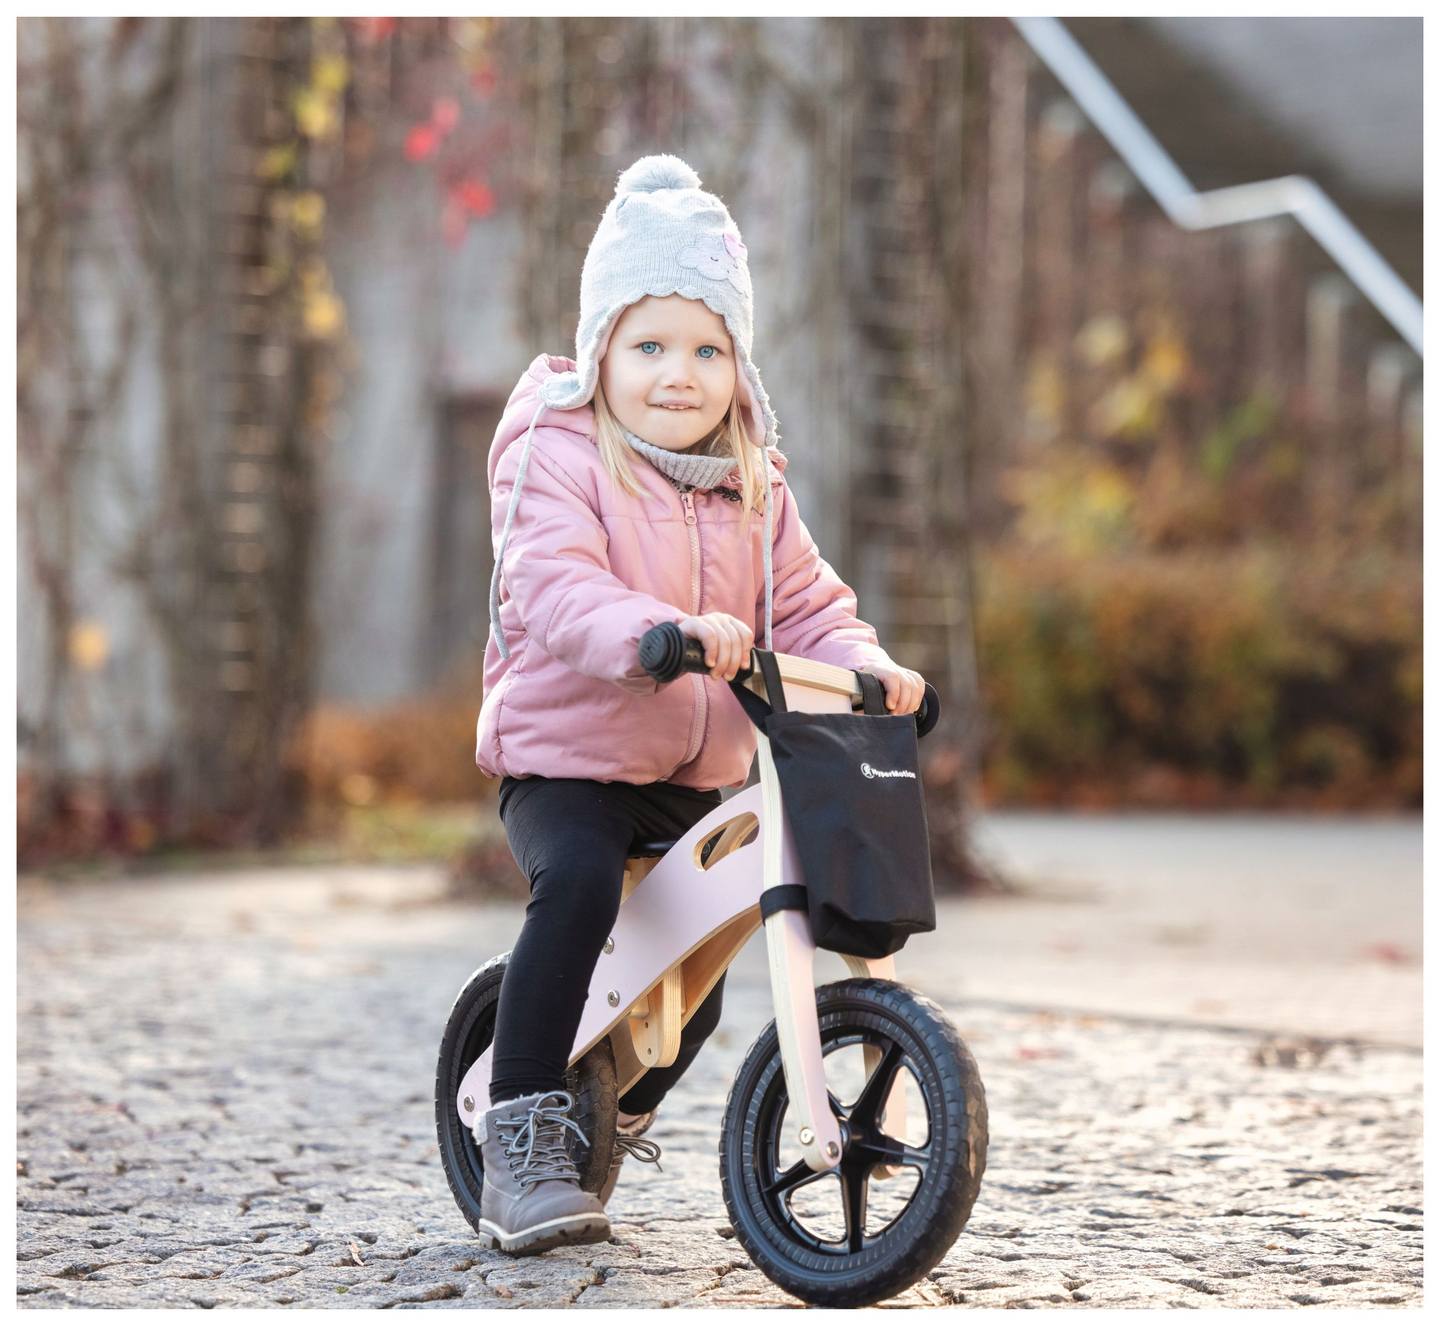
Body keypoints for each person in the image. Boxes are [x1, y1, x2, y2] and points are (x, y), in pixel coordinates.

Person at [471, 153, 927, 1255]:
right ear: (601, 350)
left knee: (701, 978)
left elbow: (809, 606)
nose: (679, 375)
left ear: (738, 365)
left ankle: (609, 1121)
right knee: (580, 887)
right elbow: (554, 587)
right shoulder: (556, 453)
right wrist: (657, 634)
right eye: (650, 347)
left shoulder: (753, 483)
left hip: (691, 776)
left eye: (708, 350)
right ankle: (520, 1127)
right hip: (567, 763)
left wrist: (869, 670)